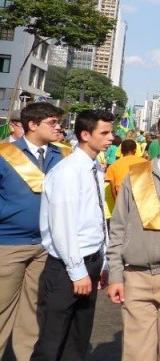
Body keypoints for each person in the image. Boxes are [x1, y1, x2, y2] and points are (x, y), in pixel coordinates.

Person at [105, 111, 160, 361]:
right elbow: (118, 228)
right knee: (136, 353)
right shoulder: (136, 174)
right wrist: (115, 274)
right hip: (135, 275)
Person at [33, 109, 115, 361]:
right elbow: (63, 227)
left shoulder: (94, 168)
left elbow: (98, 219)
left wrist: (104, 260)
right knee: (52, 340)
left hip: (89, 262)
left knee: (78, 338)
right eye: (105, 132)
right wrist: (77, 270)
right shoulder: (68, 171)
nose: (111, 137)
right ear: (85, 135)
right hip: (66, 268)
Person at [0, 102, 66, 360]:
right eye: (53, 123)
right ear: (32, 125)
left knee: (35, 313)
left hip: (45, 246)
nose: (59, 127)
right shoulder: (5, 154)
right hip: (7, 244)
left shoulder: (62, 156)